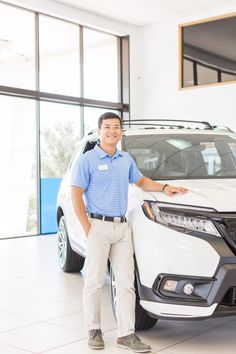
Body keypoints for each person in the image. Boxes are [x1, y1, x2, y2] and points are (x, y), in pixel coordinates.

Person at [71, 112, 188, 352]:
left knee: (126, 284)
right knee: (93, 282)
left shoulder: (125, 159)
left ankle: (126, 335)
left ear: (120, 131)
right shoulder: (87, 160)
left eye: (116, 127)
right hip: (98, 226)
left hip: (122, 227)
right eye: (107, 127)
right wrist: (86, 227)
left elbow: (141, 182)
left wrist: (165, 187)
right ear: (99, 131)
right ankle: (94, 331)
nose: (112, 131)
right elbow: (76, 194)